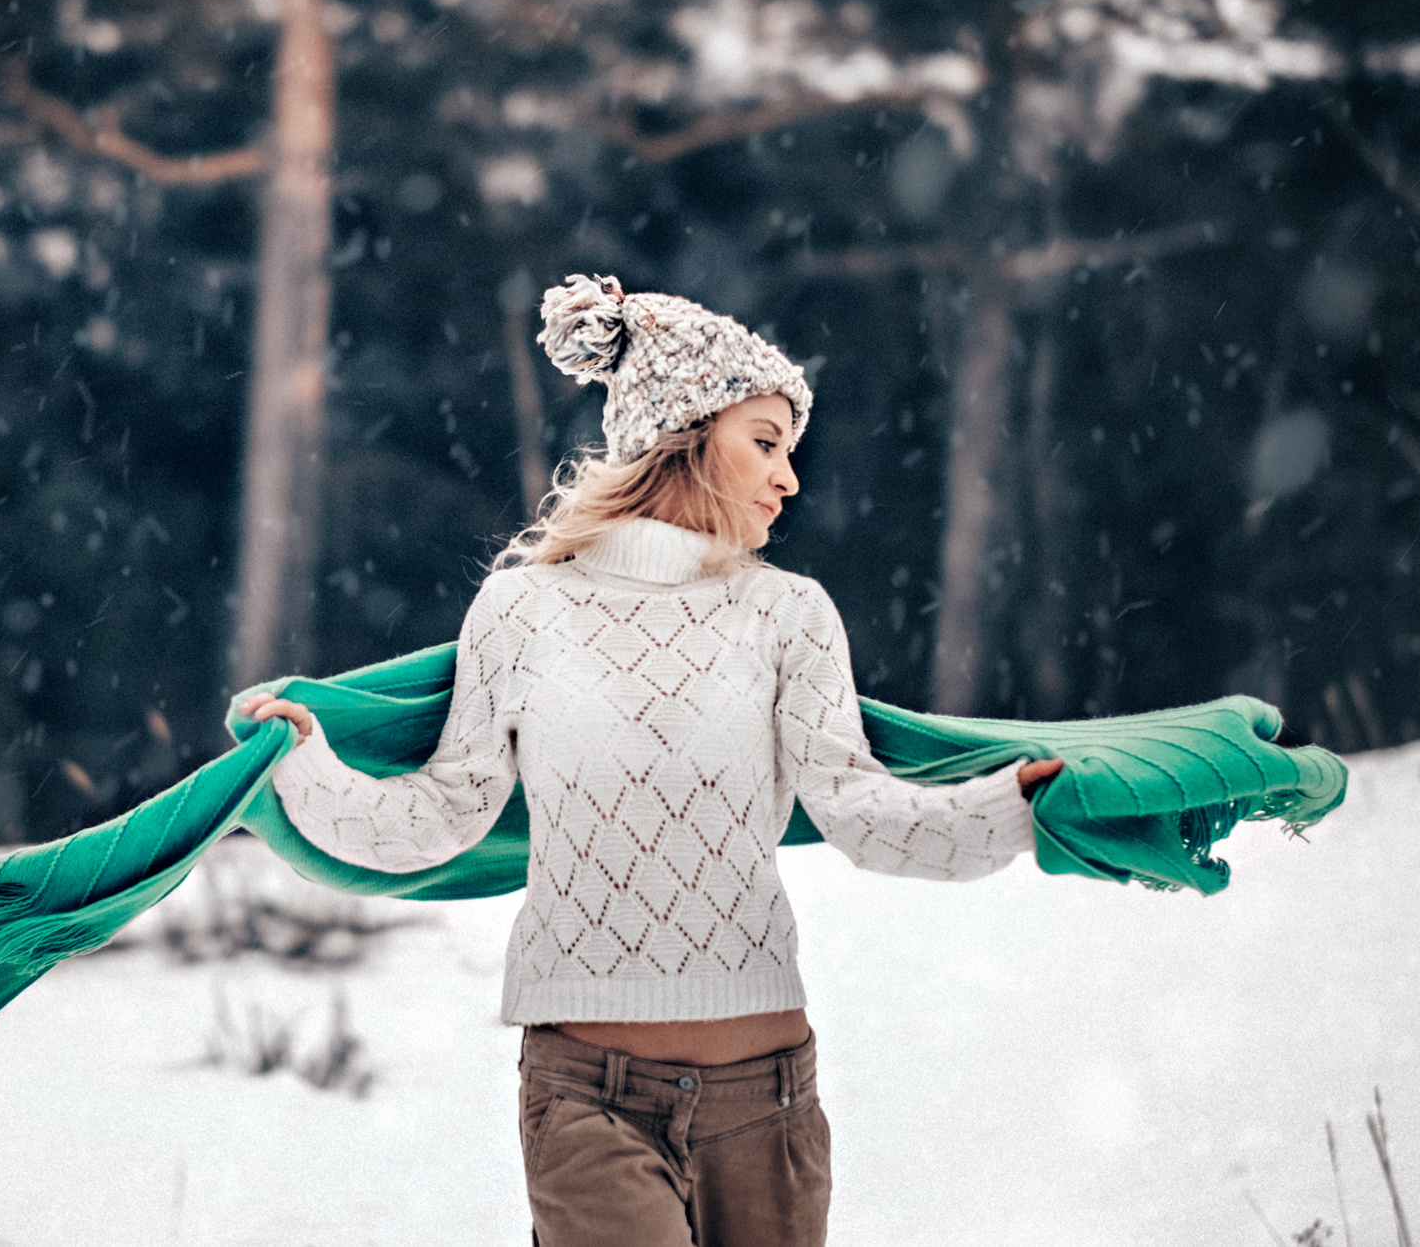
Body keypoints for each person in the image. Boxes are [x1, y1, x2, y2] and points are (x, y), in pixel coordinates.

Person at [236, 273, 1063, 1247]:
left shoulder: (786, 614)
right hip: (584, 1100)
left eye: (789, 452)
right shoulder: (521, 610)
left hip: (767, 1100)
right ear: (682, 435)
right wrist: (302, 763)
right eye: (764, 443)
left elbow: (864, 813)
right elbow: (441, 816)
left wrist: (1013, 809)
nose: (789, 478)